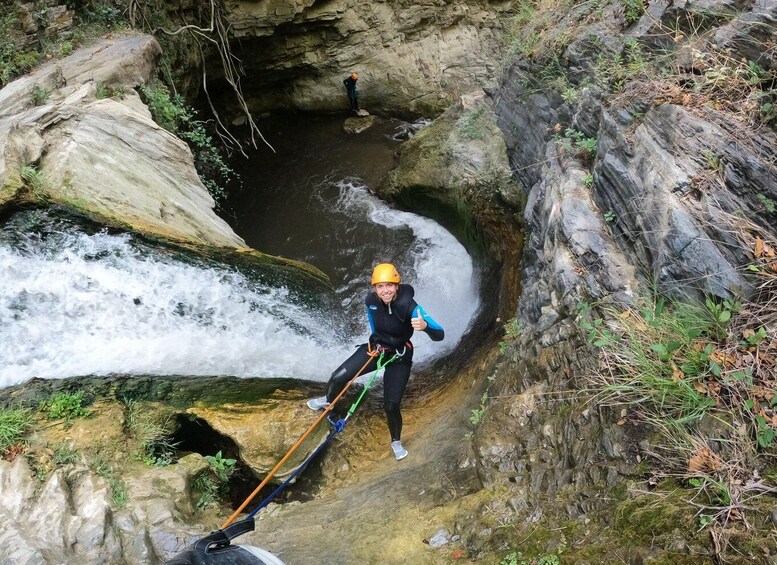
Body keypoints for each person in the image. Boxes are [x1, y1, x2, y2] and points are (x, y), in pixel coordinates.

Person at [307, 263, 444, 460]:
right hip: (377, 349)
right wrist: (374, 342)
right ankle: (328, 403)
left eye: (389, 285)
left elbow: (440, 334)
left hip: (399, 356)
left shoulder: (411, 306)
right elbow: (374, 323)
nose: (385, 290)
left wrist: (425, 327)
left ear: (397, 286)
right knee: (338, 377)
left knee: (391, 405)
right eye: (380, 286)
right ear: (374, 288)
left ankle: (396, 441)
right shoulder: (371, 301)